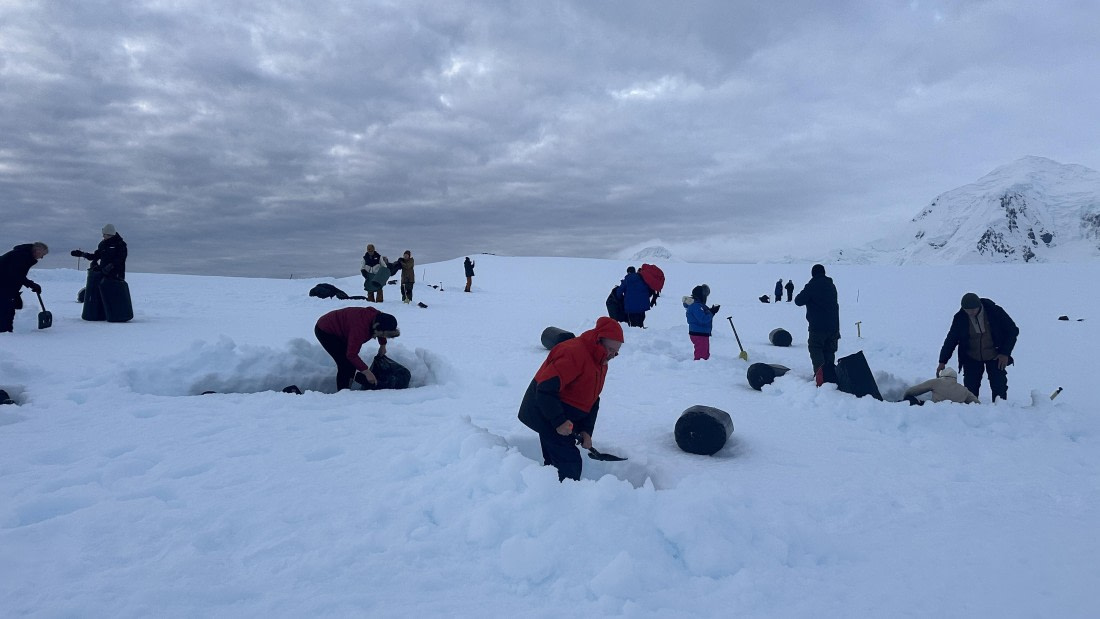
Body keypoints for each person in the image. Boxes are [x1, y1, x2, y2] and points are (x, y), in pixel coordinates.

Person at [517, 316, 624, 481]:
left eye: (616, 352)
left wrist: (586, 430)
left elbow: (592, 399)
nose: (612, 355)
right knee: (569, 465)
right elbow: (545, 389)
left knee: (555, 465)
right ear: (598, 341)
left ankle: (547, 489)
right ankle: (562, 494)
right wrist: (559, 421)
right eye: (610, 349)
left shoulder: (600, 361)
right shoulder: (573, 353)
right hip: (545, 413)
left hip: (562, 416)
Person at [937, 293, 1019, 402]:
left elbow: (1013, 330)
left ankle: (1001, 409)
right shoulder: (960, 318)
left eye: (973, 309)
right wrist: (942, 361)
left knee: (999, 387)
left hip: (995, 356)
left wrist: (1005, 353)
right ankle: (972, 411)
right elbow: (951, 340)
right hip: (971, 357)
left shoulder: (994, 311)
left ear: (979, 305)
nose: (970, 312)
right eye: (967, 310)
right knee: (970, 391)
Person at [314, 306, 399, 391]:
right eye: (382, 335)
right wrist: (367, 372)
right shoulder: (359, 329)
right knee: (345, 364)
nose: (383, 336)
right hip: (326, 330)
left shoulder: (378, 318)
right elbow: (351, 355)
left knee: (351, 364)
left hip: (342, 328)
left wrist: (383, 345)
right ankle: (343, 393)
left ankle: (348, 385)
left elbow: (381, 330)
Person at [794, 264, 841, 386]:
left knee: (816, 349)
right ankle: (830, 377)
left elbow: (798, 301)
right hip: (834, 326)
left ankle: (821, 378)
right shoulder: (831, 285)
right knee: (829, 351)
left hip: (818, 326)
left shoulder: (812, 286)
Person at [0, 242, 48, 333]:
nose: (42, 257)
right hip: (3, 284)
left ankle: (6, 331)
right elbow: (15, 274)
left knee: (12, 306)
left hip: (6, 284)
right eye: (43, 254)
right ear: (38, 250)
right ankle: (5, 333)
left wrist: (31, 285)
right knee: (6, 309)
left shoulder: (24, 255)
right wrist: (32, 284)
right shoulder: (22, 256)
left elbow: (17, 274)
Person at [902, 366, 980, 405]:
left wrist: (906, 395)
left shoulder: (936, 382)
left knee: (910, 399)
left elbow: (915, 390)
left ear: (942, 375)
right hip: (955, 416)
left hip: (936, 410)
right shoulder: (964, 390)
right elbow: (977, 403)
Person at [684, 285, 720, 360]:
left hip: (700, 333)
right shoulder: (696, 306)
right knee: (701, 355)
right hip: (699, 334)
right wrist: (712, 312)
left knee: (704, 353)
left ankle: (702, 365)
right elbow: (703, 319)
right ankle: (698, 366)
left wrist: (711, 310)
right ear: (701, 296)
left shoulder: (698, 305)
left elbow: (702, 314)